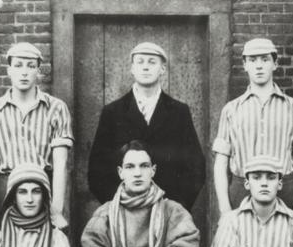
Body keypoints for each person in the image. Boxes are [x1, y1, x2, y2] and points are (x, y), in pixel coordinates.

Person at [87, 42, 206, 211]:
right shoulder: (113, 112)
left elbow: (195, 167)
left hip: (167, 211)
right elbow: (97, 169)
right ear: (132, 68)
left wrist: (176, 207)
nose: (145, 67)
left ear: (162, 69)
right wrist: (119, 205)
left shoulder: (179, 112)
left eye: (152, 62)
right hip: (124, 211)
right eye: (140, 62)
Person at [0, 42, 72, 234]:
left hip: (42, 187)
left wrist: (56, 211)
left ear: (38, 71)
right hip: (6, 187)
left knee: (45, 246)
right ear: (9, 70)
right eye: (18, 65)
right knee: (2, 246)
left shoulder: (56, 108)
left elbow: (61, 164)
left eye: (31, 66)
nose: (24, 72)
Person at [213, 38, 293, 214]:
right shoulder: (231, 110)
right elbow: (221, 162)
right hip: (241, 188)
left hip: (283, 188)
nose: (259, 66)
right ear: (245, 65)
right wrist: (224, 209)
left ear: (275, 64)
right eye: (252, 60)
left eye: (265, 59)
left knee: (282, 240)